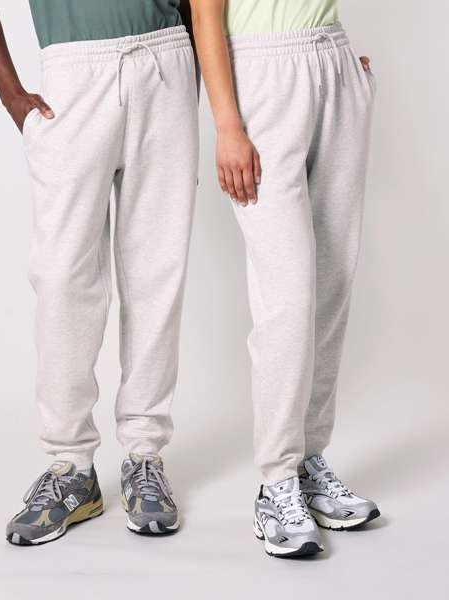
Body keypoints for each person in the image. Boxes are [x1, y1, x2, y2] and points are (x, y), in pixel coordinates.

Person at [0, 0, 198, 545]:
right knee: (61, 276)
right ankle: (71, 466)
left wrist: (190, 80)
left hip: (165, 60)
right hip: (73, 72)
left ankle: (144, 455)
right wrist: (11, 96)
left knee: (156, 273)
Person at [191, 0, 380, 557]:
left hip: (332, 58)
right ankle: (276, 481)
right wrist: (227, 124)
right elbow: (205, 15)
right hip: (262, 75)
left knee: (332, 284)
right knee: (288, 297)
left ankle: (308, 462)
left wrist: (343, 73)